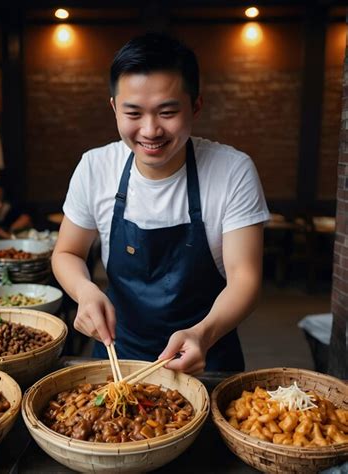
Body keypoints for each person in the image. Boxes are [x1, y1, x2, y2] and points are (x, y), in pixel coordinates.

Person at [51, 32, 270, 374]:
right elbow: (67, 253)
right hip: (117, 355)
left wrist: (203, 333)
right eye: (134, 113)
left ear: (196, 105)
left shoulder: (232, 171)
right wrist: (85, 290)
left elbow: (245, 277)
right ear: (114, 108)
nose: (150, 130)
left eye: (167, 112)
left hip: (206, 357)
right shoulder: (96, 168)